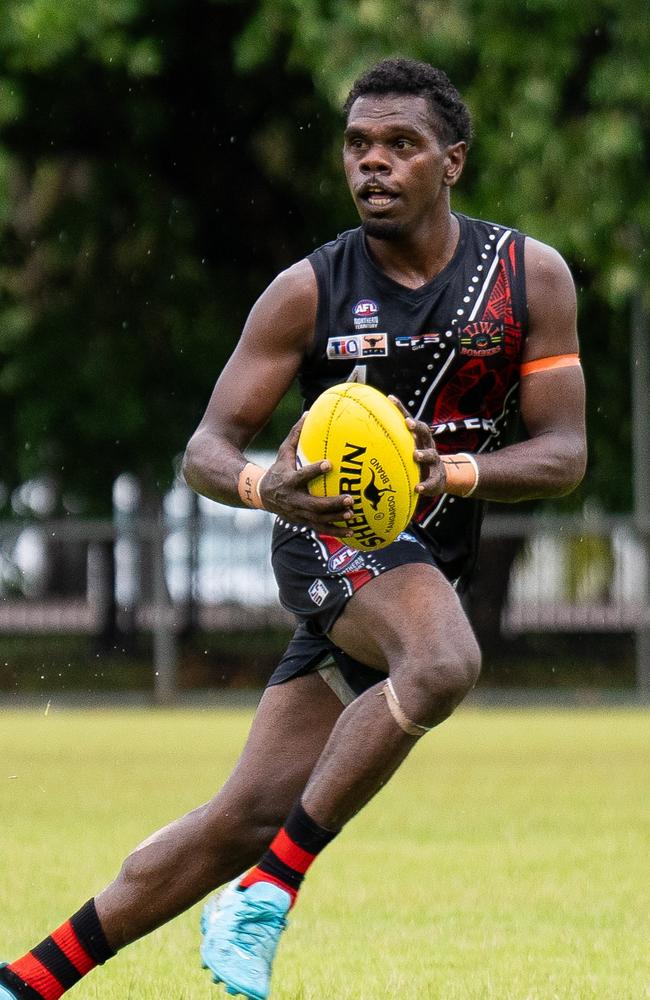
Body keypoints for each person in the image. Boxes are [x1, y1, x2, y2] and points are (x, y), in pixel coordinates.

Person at [0, 57, 586, 1000]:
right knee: (440, 664)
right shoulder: (307, 289)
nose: (374, 165)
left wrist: (457, 470)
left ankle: (28, 979)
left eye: (402, 145)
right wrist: (264, 484)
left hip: (423, 561)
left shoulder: (528, 277)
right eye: (358, 145)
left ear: (454, 162)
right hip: (325, 534)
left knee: (240, 814)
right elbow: (205, 448)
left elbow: (564, 456)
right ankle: (267, 892)